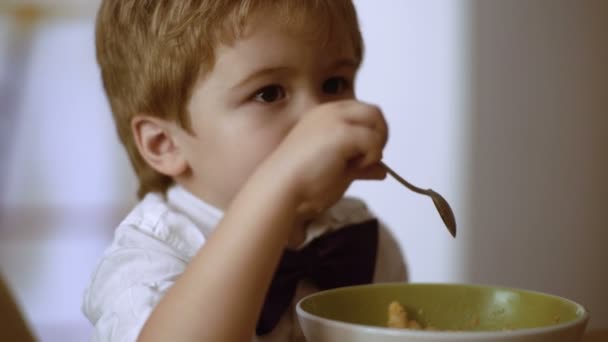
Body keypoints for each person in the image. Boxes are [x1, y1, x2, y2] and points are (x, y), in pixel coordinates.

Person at [82, 1, 406, 341]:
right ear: (166, 143)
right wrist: (278, 185)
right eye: (268, 93)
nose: (318, 121)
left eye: (335, 84)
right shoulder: (147, 261)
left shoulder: (362, 240)